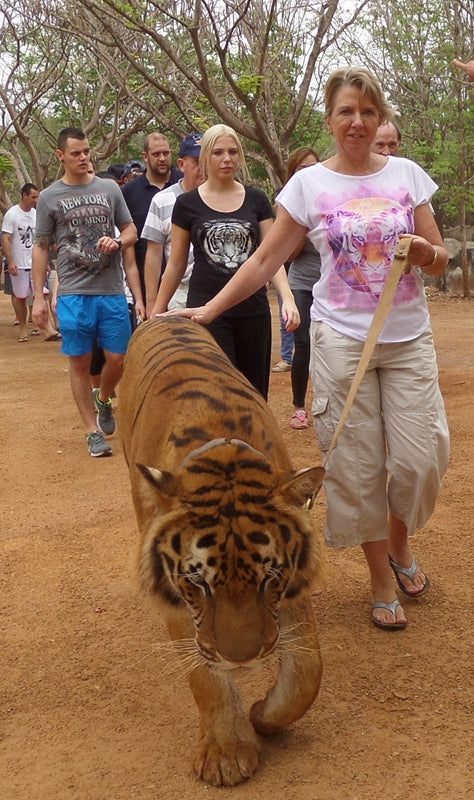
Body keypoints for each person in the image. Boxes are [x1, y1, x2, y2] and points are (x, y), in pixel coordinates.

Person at [168, 68, 450, 631]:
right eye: (347, 111)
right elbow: (263, 261)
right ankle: (380, 576)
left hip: (408, 337)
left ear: (380, 119)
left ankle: (399, 544)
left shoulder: (408, 176)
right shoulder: (309, 186)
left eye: (368, 112)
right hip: (341, 341)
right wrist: (209, 309)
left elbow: (440, 257)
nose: (358, 122)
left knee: (421, 461)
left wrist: (424, 252)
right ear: (330, 118)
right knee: (356, 463)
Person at [151, 123, 299, 399]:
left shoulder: (256, 200)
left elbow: (271, 256)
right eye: (218, 152)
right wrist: (155, 314)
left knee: (254, 394)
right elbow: (175, 264)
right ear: (206, 156)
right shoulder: (187, 204)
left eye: (233, 151)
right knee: (217, 393)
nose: (227, 158)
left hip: (253, 310)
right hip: (206, 309)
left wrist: (287, 298)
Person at [32, 126, 143, 458]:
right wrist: (39, 295)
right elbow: (41, 247)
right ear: (60, 156)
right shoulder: (50, 196)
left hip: (110, 289)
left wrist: (119, 241)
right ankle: (92, 431)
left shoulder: (109, 188)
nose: (83, 158)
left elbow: (131, 229)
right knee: (79, 361)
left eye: (86, 152)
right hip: (73, 293)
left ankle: (104, 397)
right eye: (76, 153)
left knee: (119, 359)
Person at [283, 147, 322, 430]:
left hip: (332, 285)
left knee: (332, 345)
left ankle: (329, 403)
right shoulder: (289, 205)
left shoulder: (331, 198)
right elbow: (289, 255)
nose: (309, 174)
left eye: (314, 167)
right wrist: (304, 225)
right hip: (301, 283)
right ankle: (299, 407)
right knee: (304, 344)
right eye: (302, 169)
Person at [142, 134, 202, 316]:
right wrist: (152, 304)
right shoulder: (162, 200)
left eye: (208, 160)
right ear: (182, 164)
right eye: (197, 162)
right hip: (180, 292)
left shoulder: (224, 197)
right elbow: (153, 254)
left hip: (218, 290)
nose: (204, 169)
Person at [122, 132, 183, 303]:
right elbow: (128, 242)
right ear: (145, 156)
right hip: (145, 282)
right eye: (156, 154)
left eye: (166, 153)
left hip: (183, 285)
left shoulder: (185, 184)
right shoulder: (129, 192)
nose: (162, 158)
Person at [1, 183, 59, 342]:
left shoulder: (36, 214)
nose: (36, 200)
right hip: (18, 263)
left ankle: (48, 329)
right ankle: (23, 328)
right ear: (24, 195)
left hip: (34, 263)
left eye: (37, 197)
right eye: (33, 197)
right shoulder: (12, 214)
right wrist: (10, 261)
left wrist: (45, 261)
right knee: (20, 296)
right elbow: (5, 239)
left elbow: (41, 240)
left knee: (42, 294)